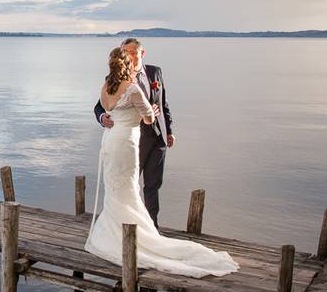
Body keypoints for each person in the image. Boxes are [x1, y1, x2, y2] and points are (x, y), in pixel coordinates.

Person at [85, 47, 238, 277]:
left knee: (117, 188)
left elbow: (107, 105)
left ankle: (116, 233)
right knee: (128, 187)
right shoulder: (133, 89)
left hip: (110, 142)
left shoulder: (105, 87)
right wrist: (150, 113)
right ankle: (142, 235)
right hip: (126, 142)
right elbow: (148, 118)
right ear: (127, 64)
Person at [94, 37, 171, 228]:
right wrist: (103, 117)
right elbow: (99, 107)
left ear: (141, 53)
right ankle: (129, 226)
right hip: (133, 139)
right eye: (125, 52)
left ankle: (153, 226)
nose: (130, 56)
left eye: (132, 52)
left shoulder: (155, 72)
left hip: (157, 137)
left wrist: (169, 131)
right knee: (129, 184)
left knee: (153, 185)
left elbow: (164, 103)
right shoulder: (113, 81)